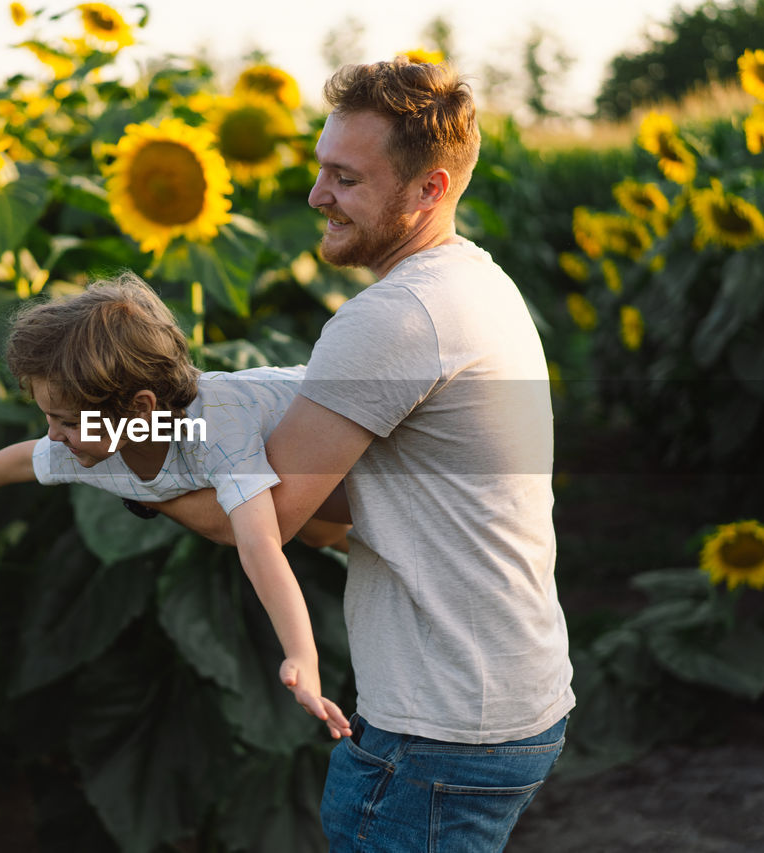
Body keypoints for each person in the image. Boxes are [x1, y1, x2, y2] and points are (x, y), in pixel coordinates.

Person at [147, 58, 575, 852]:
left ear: (430, 189)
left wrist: (116, 463)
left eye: (344, 178)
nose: (317, 197)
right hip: (504, 700)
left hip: (438, 728)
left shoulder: (397, 316)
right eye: (320, 169)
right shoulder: (476, 283)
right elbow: (340, 512)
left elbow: (263, 520)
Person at [0, 272, 353, 740]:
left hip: (338, 418)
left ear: (140, 408)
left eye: (66, 421)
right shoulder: (99, 442)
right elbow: (24, 459)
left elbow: (260, 546)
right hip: (303, 472)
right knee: (318, 531)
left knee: (323, 516)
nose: (55, 434)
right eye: (48, 418)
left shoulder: (215, 431)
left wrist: (302, 655)